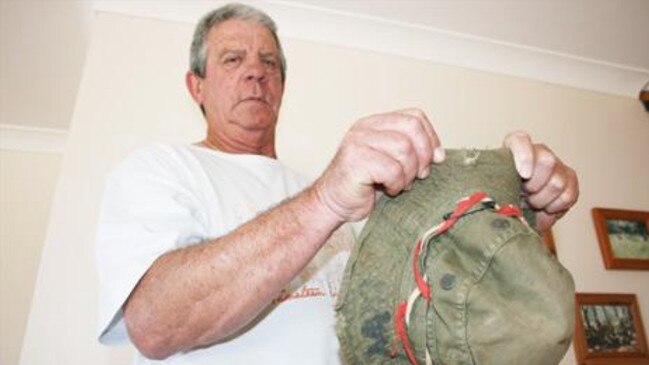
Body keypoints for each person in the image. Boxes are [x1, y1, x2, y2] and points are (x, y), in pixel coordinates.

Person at [95, 3, 579, 364]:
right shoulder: (161, 169)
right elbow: (154, 323)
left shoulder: (332, 197)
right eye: (232, 59)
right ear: (196, 86)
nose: (255, 73)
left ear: (282, 86)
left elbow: (420, 314)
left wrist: (516, 217)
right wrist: (325, 200)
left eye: (269, 63)